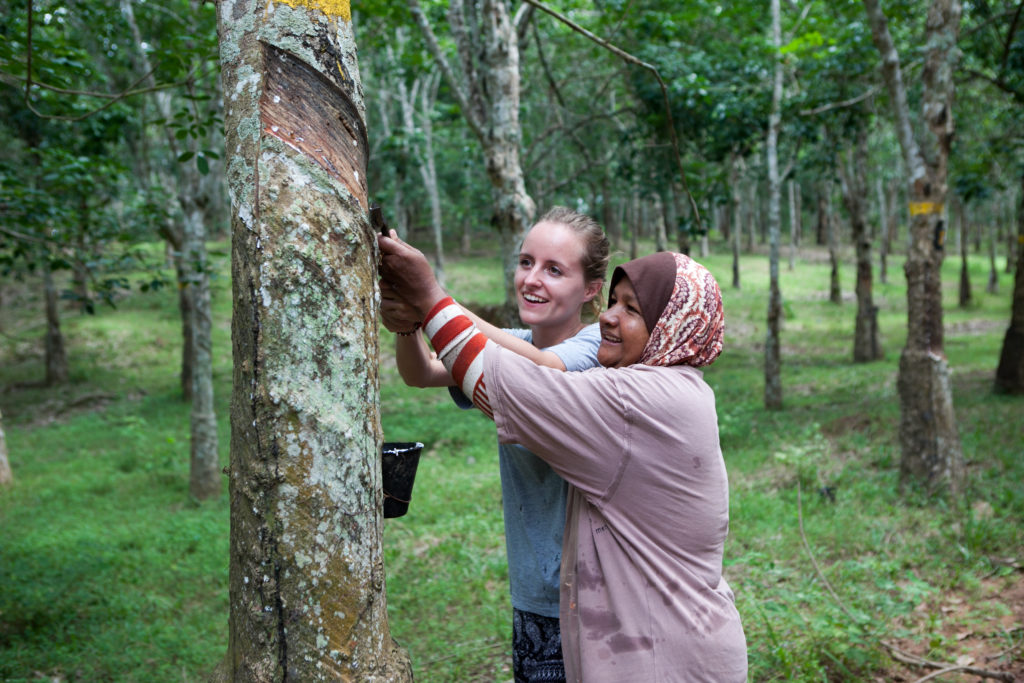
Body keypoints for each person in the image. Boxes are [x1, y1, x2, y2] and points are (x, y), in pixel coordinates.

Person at [378, 237, 748, 682]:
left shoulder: (643, 399)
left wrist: (429, 297)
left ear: (673, 327)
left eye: (632, 310)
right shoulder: (675, 389)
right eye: (614, 303)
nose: (609, 317)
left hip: (662, 657)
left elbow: (497, 383)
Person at [379, 207, 610, 682]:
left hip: (591, 595)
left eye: (554, 269)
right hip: (532, 589)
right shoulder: (512, 341)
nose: (532, 279)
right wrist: (408, 323)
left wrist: (432, 300)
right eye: (526, 262)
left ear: (591, 290)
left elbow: (543, 371)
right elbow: (420, 373)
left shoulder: (596, 350)